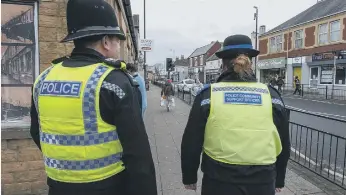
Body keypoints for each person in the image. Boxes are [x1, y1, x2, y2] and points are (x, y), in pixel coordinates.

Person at [29, 0, 157, 195]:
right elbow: (138, 154)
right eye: (117, 40)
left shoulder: (43, 79)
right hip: (109, 186)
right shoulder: (114, 81)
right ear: (106, 42)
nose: (117, 46)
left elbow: (36, 132)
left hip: (57, 187)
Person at [181, 35, 290, 195]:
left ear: (223, 64)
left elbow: (192, 140)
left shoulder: (209, 95)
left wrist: (190, 177)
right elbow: (284, 142)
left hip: (218, 181)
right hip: (262, 182)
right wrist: (279, 179)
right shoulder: (271, 95)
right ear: (250, 62)